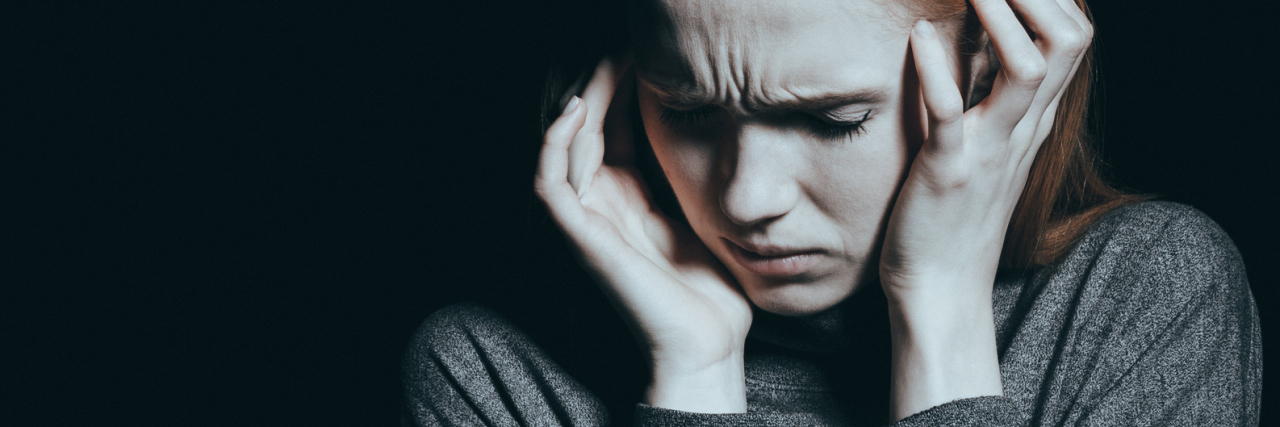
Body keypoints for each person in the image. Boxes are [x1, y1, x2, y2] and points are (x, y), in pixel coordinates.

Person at [402, 0, 1262, 425]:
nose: (746, 198)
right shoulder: (497, 374)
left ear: (991, 69)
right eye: (690, 112)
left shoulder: (1141, 299)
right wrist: (696, 376)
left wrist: (939, 316)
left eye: (828, 118)